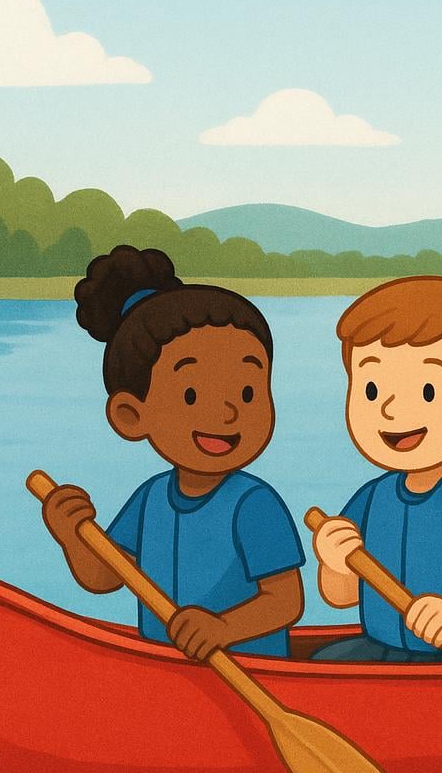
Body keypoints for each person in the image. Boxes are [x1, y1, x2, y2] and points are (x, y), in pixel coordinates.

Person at [40, 245, 305, 658]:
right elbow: (107, 577)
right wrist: (71, 537)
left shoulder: (254, 504)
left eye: (248, 391)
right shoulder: (150, 500)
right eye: (192, 393)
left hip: (250, 671)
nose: (228, 411)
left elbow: (286, 601)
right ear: (131, 414)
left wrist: (223, 628)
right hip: (168, 667)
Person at [310, 276, 442, 662]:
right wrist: (333, 562)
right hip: (382, 646)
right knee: (322, 661)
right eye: (371, 390)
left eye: (427, 391)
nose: (390, 411)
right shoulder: (371, 498)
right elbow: (340, 598)